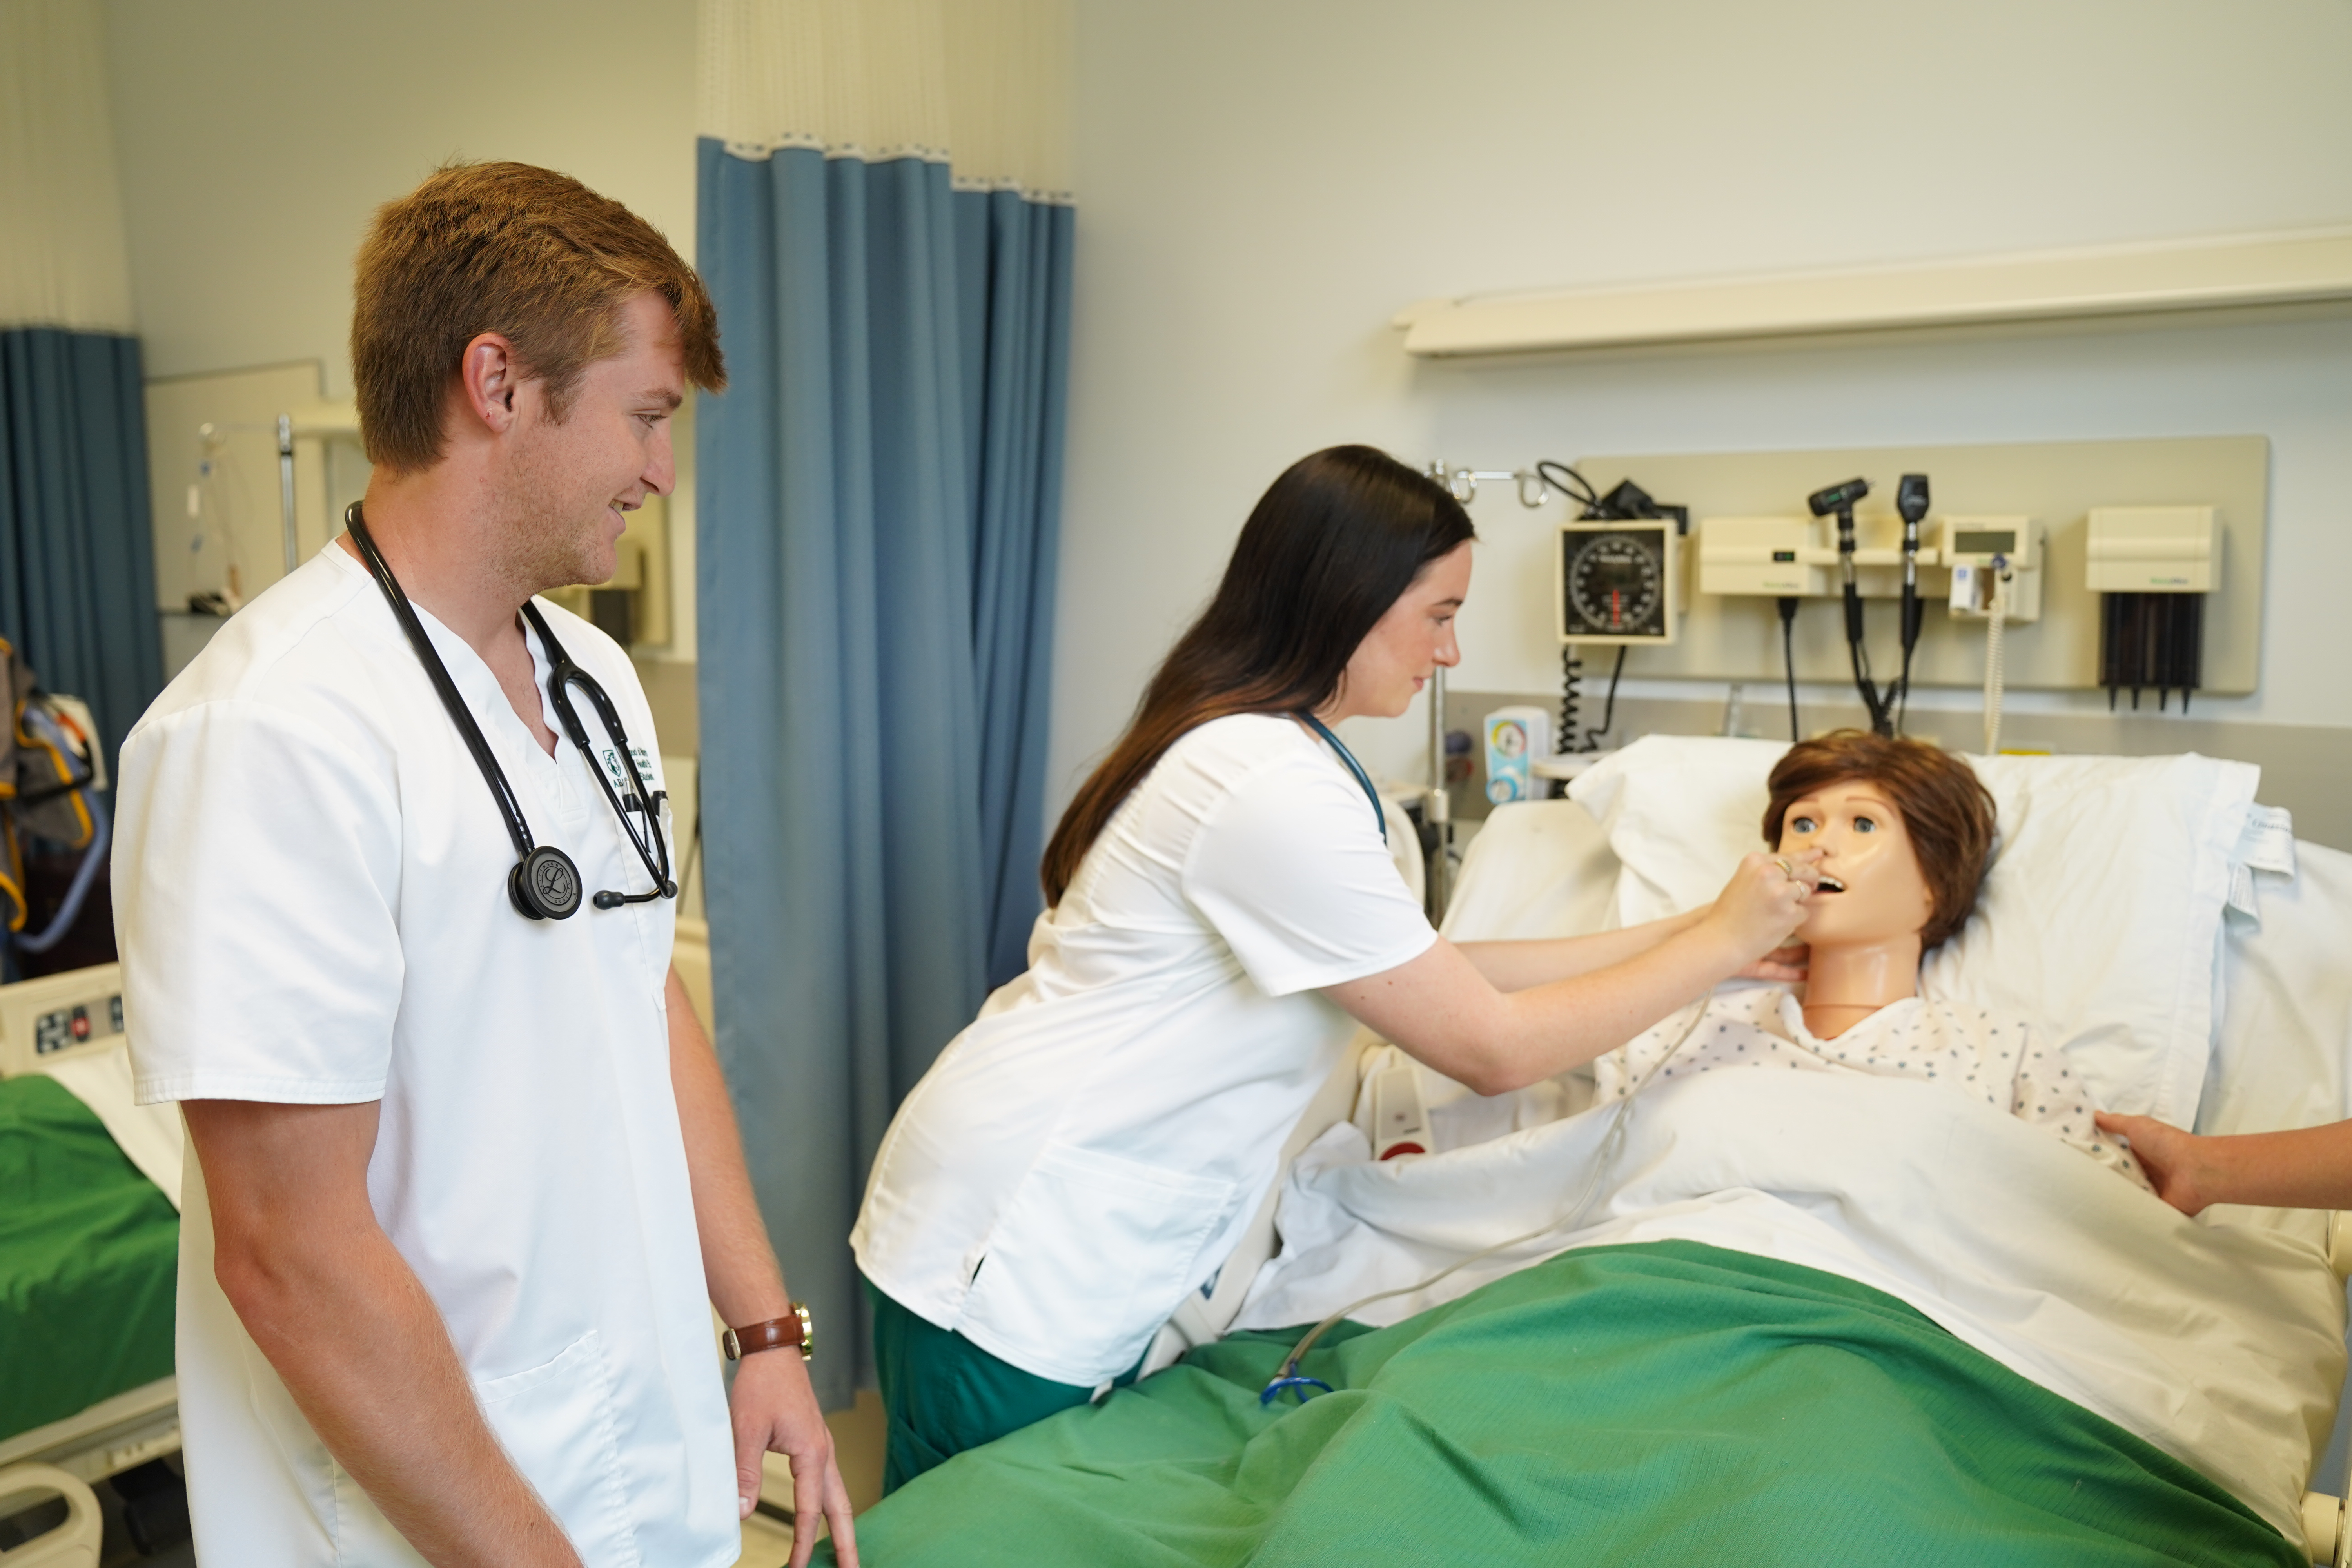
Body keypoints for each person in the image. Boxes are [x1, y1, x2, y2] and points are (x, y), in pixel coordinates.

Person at [113, 163, 856, 1568]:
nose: (660, 471)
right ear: (498, 383)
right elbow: (291, 1257)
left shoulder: (589, 677)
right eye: (645, 417)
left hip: (635, 1454)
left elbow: (644, 998)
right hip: (428, 1519)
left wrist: (762, 1329)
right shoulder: (269, 734)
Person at [849, 445, 1817, 1490]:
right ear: (1347, 598)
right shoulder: (1263, 780)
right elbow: (1491, 1048)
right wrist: (1713, 945)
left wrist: (1700, 940)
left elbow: (1428, 969)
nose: (1452, 651)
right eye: (1439, 614)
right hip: (1024, 1236)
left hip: (1050, 1212)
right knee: (969, 1531)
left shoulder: (1281, 749)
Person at [1595, 731, 2147, 1190]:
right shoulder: (1683, 1031)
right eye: (1803, 824)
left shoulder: (2001, 1055)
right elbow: (1596, 1182)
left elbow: (2105, 1214)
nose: (1818, 848)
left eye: (1862, 824)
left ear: (1935, 881)